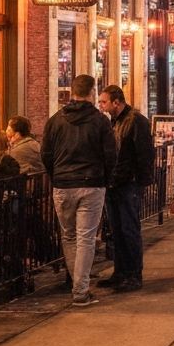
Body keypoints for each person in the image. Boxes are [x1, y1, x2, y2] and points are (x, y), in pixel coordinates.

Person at [40, 74, 117, 307]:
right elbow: (110, 155)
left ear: (72, 92)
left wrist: (57, 176)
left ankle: (78, 286)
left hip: (63, 185)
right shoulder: (100, 121)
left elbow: (46, 154)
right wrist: (104, 177)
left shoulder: (55, 121)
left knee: (69, 236)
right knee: (85, 238)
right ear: (92, 92)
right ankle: (80, 290)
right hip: (91, 184)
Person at [97, 85, 155, 293]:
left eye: (104, 102)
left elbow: (144, 154)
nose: (101, 106)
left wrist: (141, 182)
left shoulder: (135, 121)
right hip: (114, 183)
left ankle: (133, 274)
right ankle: (120, 272)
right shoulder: (112, 122)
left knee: (129, 229)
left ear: (116, 102)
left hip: (128, 183)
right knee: (117, 230)